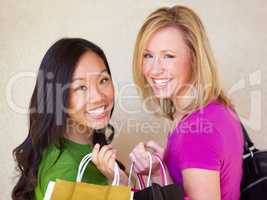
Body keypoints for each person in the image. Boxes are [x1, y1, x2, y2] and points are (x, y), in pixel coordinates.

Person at [129, 6, 243, 200]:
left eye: (168, 56)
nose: (154, 70)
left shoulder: (196, 131)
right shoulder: (217, 109)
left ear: (195, 59)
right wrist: (160, 171)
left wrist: (124, 183)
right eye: (148, 55)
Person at [12, 38, 128, 200]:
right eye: (81, 87)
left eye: (103, 80)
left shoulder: (80, 147)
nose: (98, 97)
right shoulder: (66, 172)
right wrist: (120, 185)